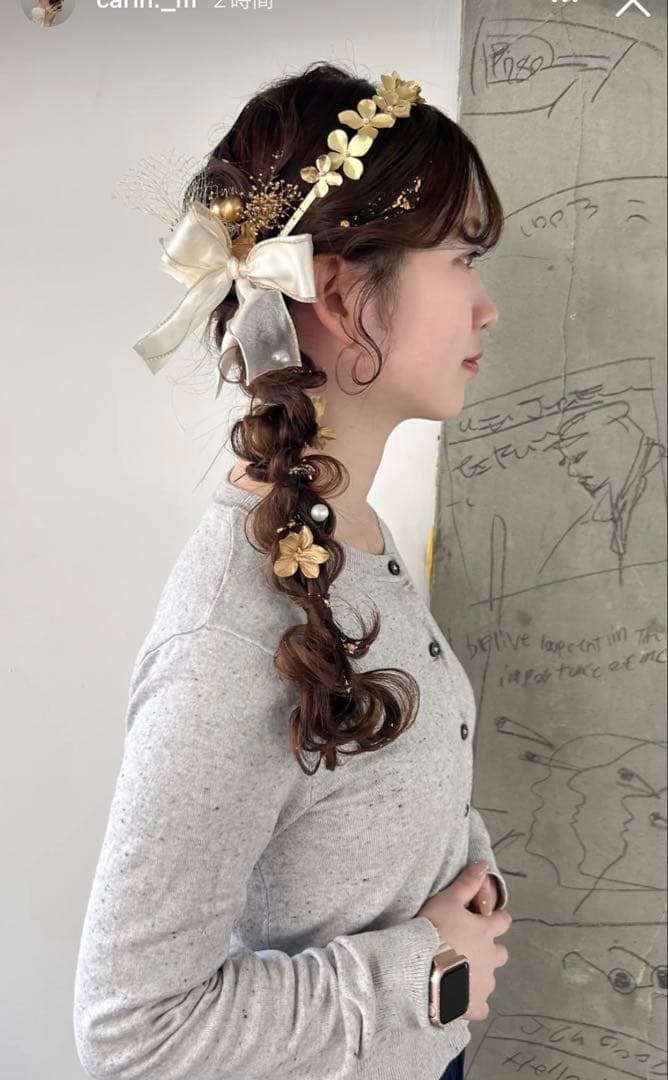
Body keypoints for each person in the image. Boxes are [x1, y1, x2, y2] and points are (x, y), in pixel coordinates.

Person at [73, 62, 512, 1080]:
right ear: (343, 293)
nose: (487, 307)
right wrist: (427, 973)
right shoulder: (228, 638)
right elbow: (131, 1036)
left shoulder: (344, 532)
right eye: (462, 257)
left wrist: (461, 870)